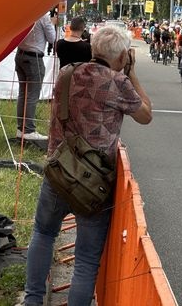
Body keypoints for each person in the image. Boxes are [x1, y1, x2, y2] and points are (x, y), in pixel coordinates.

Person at [24, 26, 152, 306]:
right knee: (85, 258)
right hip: (93, 185)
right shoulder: (117, 83)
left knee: (43, 234)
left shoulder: (67, 73)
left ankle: (32, 299)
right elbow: (146, 115)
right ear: (121, 57)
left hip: (58, 171)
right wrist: (130, 74)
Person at [15, 12, 57, 143]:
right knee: (32, 96)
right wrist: (53, 23)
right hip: (34, 58)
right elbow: (52, 38)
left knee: (23, 94)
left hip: (20, 54)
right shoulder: (43, 15)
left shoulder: (26, 11)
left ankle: (21, 128)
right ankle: (28, 130)